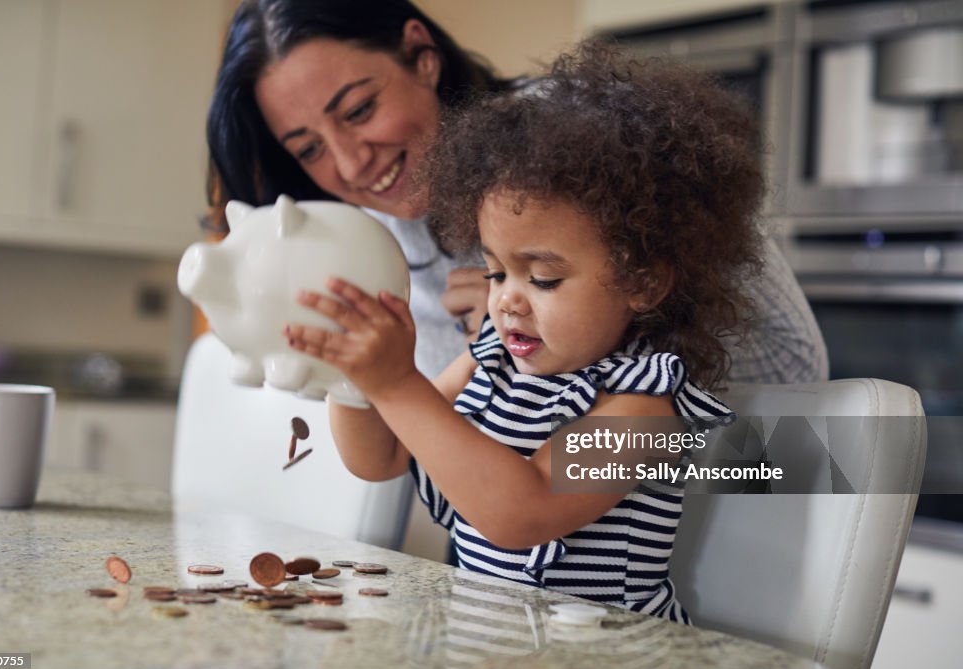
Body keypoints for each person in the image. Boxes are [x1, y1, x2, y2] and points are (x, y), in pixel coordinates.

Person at [282, 41, 766, 622]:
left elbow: (522, 513)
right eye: (495, 271)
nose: (506, 298)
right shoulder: (489, 361)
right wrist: (354, 379)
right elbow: (380, 456)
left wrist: (398, 384)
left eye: (543, 278)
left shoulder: (644, 412)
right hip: (492, 647)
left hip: (611, 661)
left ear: (643, 283)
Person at [205, 0, 828, 384]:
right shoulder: (378, 237)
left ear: (421, 55)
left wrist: (575, 345)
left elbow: (795, 377)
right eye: (308, 147)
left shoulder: (580, 145)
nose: (349, 161)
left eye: (360, 108)